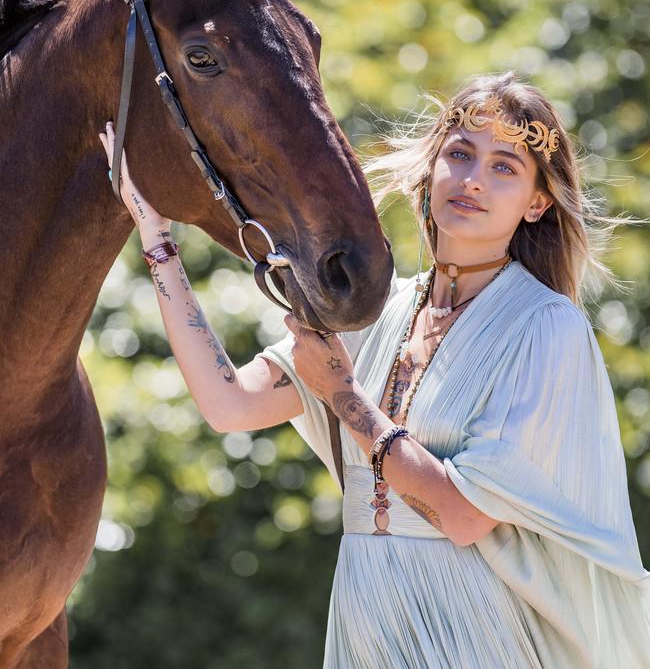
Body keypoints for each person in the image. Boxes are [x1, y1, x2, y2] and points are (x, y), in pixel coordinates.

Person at [99, 71, 650, 668]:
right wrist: (155, 236)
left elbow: (464, 516)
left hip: (478, 638)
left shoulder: (545, 327)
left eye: (504, 167)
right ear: (430, 168)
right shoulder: (379, 310)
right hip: (367, 629)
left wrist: (344, 397)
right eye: (460, 154)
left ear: (538, 202)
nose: (472, 180)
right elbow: (229, 403)